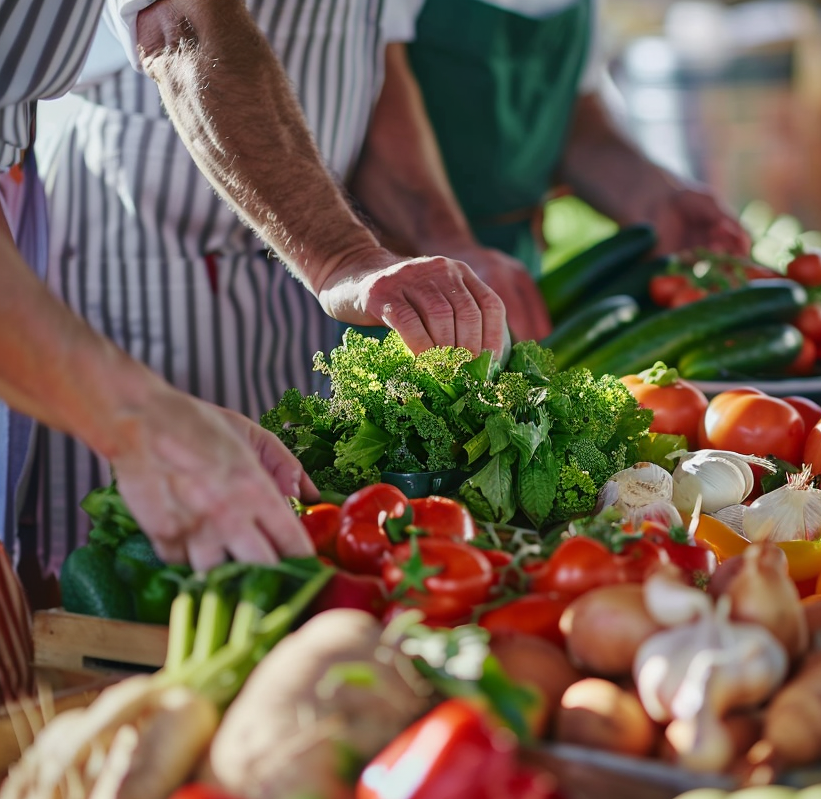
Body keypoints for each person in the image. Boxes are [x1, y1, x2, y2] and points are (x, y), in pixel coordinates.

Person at [2, 0, 506, 575]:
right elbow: (184, 26)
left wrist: (438, 236)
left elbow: (376, 57)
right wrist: (342, 253)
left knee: (286, 535)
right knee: (133, 562)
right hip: (152, 254)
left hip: (297, 264)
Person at [348, 0, 752, 342]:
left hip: (516, 270)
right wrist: (448, 245)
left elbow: (575, 117)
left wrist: (656, 198)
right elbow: (369, 99)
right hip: (393, 274)